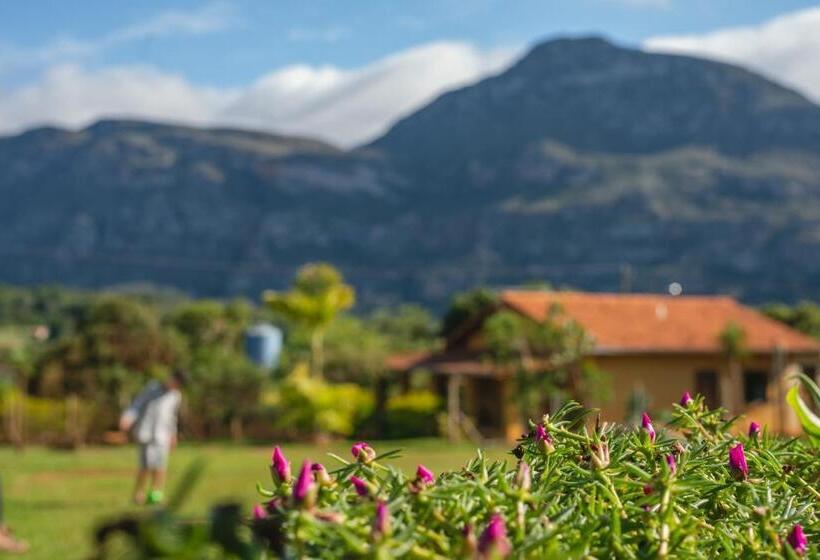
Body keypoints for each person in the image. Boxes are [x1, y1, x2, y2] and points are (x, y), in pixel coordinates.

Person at [119, 370, 188, 505]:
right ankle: (139, 493)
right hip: (146, 432)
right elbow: (137, 404)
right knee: (145, 465)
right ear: (171, 378)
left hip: (163, 435)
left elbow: (172, 417)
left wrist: (173, 434)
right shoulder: (152, 388)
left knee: (161, 464)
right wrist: (128, 417)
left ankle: (156, 493)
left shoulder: (176, 396)